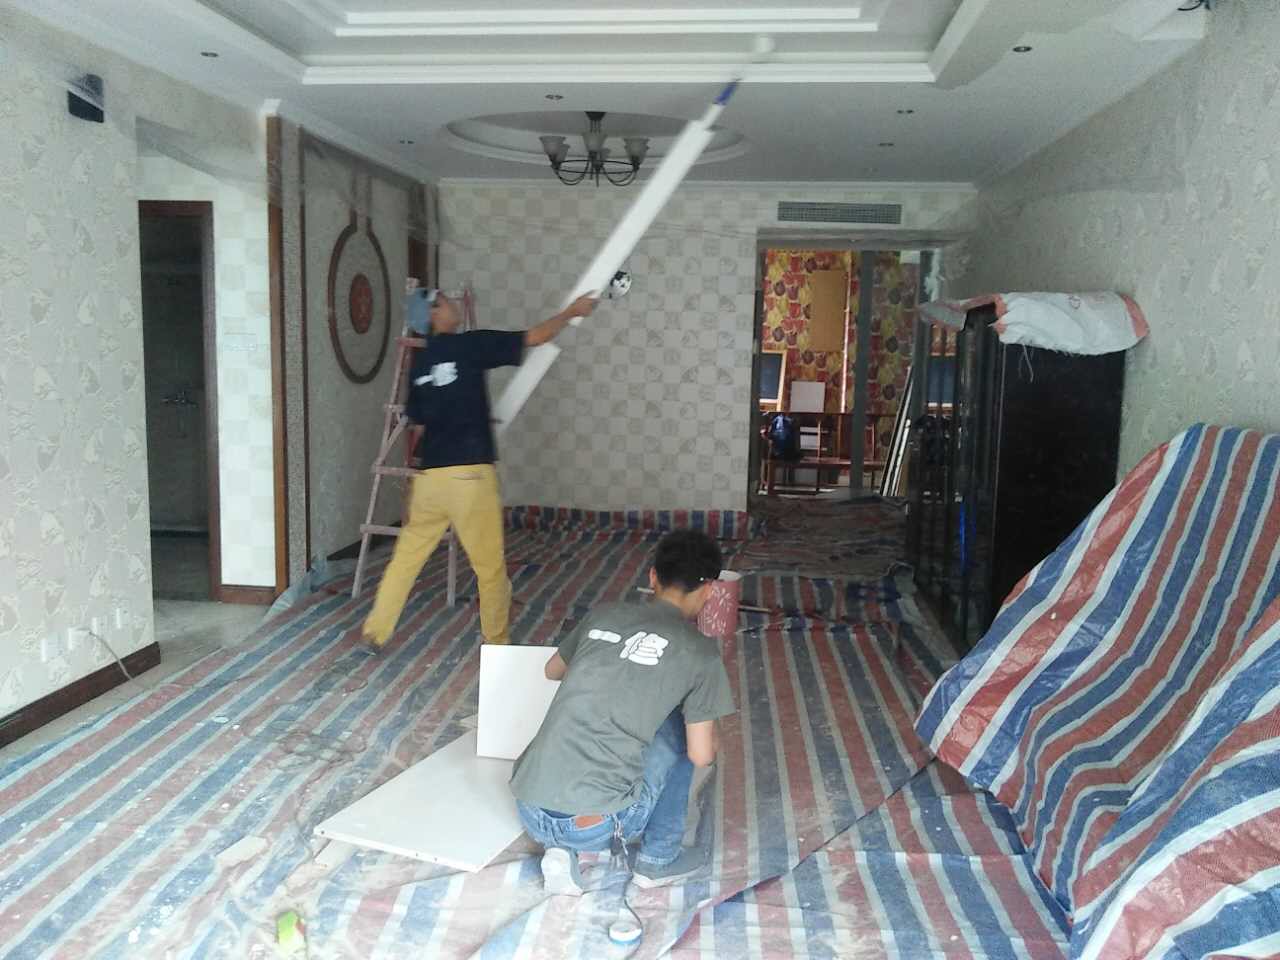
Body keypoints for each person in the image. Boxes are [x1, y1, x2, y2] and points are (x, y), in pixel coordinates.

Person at [361, 289, 598, 650]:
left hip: (431, 480)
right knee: (489, 568)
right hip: (469, 477)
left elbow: (417, 426)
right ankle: (497, 642)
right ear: (434, 314)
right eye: (445, 300)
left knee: (405, 559)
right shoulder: (469, 345)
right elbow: (535, 337)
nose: (454, 304)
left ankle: (375, 632)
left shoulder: (420, 365)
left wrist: (414, 485)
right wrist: (571, 312)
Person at [509, 530, 737, 895]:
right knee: (684, 728)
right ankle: (658, 860)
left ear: (652, 576)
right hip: (599, 825)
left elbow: (552, 670)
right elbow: (701, 755)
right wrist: (709, 728)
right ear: (709, 589)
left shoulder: (604, 614)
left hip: (529, 809)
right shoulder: (700, 652)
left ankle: (560, 853)